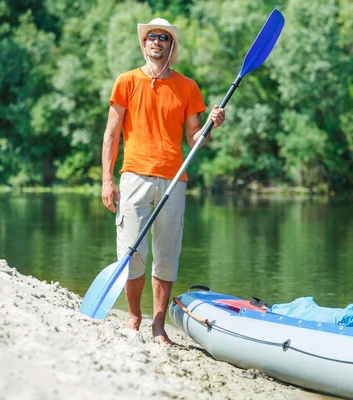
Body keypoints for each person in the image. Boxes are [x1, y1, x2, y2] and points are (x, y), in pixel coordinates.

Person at [100, 18, 225, 345]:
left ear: (171, 46)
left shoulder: (187, 87)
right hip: (133, 177)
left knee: (166, 255)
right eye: (151, 37)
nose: (156, 42)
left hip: (173, 179)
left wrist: (211, 125)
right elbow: (111, 134)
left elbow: (195, 138)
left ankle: (158, 325)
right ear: (144, 44)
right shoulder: (126, 81)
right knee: (132, 252)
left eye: (163, 38)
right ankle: (133, 317)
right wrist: (107, 179)